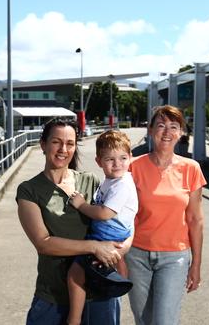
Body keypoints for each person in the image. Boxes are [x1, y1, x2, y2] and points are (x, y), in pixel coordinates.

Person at [17, 119, 131, 325]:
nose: (63, 149)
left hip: (99, 290)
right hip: (54, 294)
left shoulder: (91, 181)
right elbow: (43, 243)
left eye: (70, 143)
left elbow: (123, 223)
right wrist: (95, 247)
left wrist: (119, 250)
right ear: (43, 144)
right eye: (56, 142)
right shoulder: (29, 190)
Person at [126, 105, 206, 325]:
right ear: (150, 130)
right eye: (161, 126)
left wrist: (196, 263)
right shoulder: (132, 167)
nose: (167, 132)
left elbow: (195, 220)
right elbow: (123, 216)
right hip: (136, 256)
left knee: (164, 321)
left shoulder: (191, 169)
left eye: (174, 127)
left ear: (181, 133)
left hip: (175, 257)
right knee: (143, 320)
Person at [66, 130, 139, 325]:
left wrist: (81, 205)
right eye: (110, 159)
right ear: (99, 161)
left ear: (131, 158)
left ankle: (73, 320)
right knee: (93, 275)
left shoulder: (122, 184)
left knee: (75, 275)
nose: (117, 164)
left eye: (123, 158)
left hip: (107, 236)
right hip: (108, 234)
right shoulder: (112, 181)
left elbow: (105, 213)